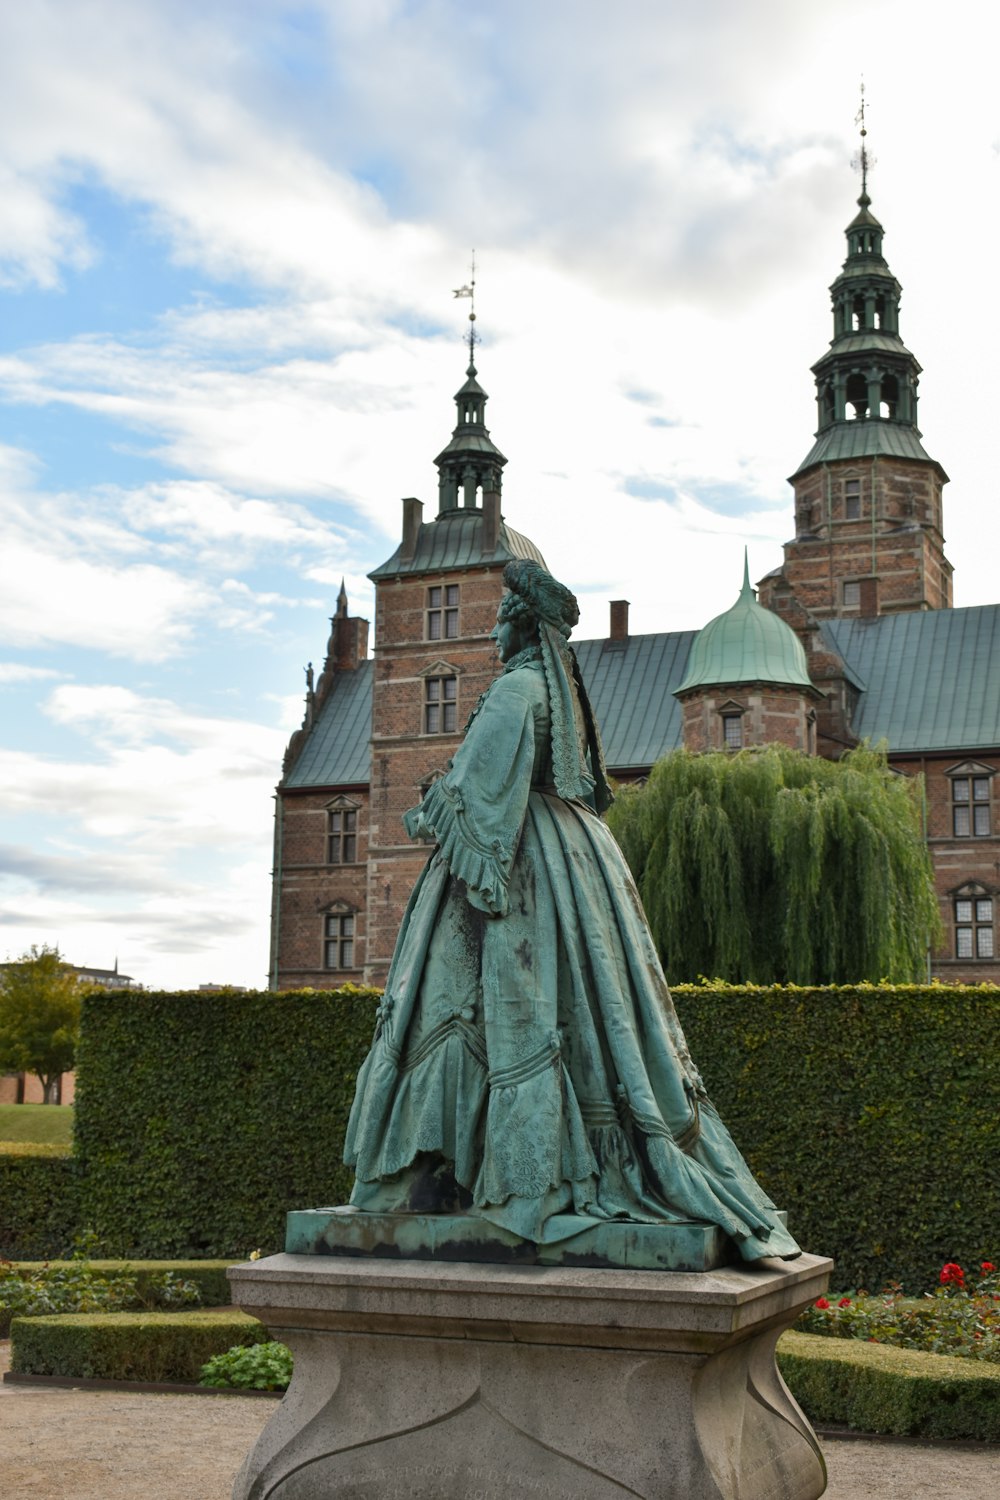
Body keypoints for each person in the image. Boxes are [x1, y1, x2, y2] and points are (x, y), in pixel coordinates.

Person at [345, 560, 799, 1261]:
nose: (491, 626)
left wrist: (423, 811)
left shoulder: (514, 691)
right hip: (577, 860)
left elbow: (472, 799)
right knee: (592, 1014)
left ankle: (462, 1173)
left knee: (455, 1007)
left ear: (520, 622)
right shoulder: (559, 692)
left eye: (499, 615)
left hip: (517, 871)